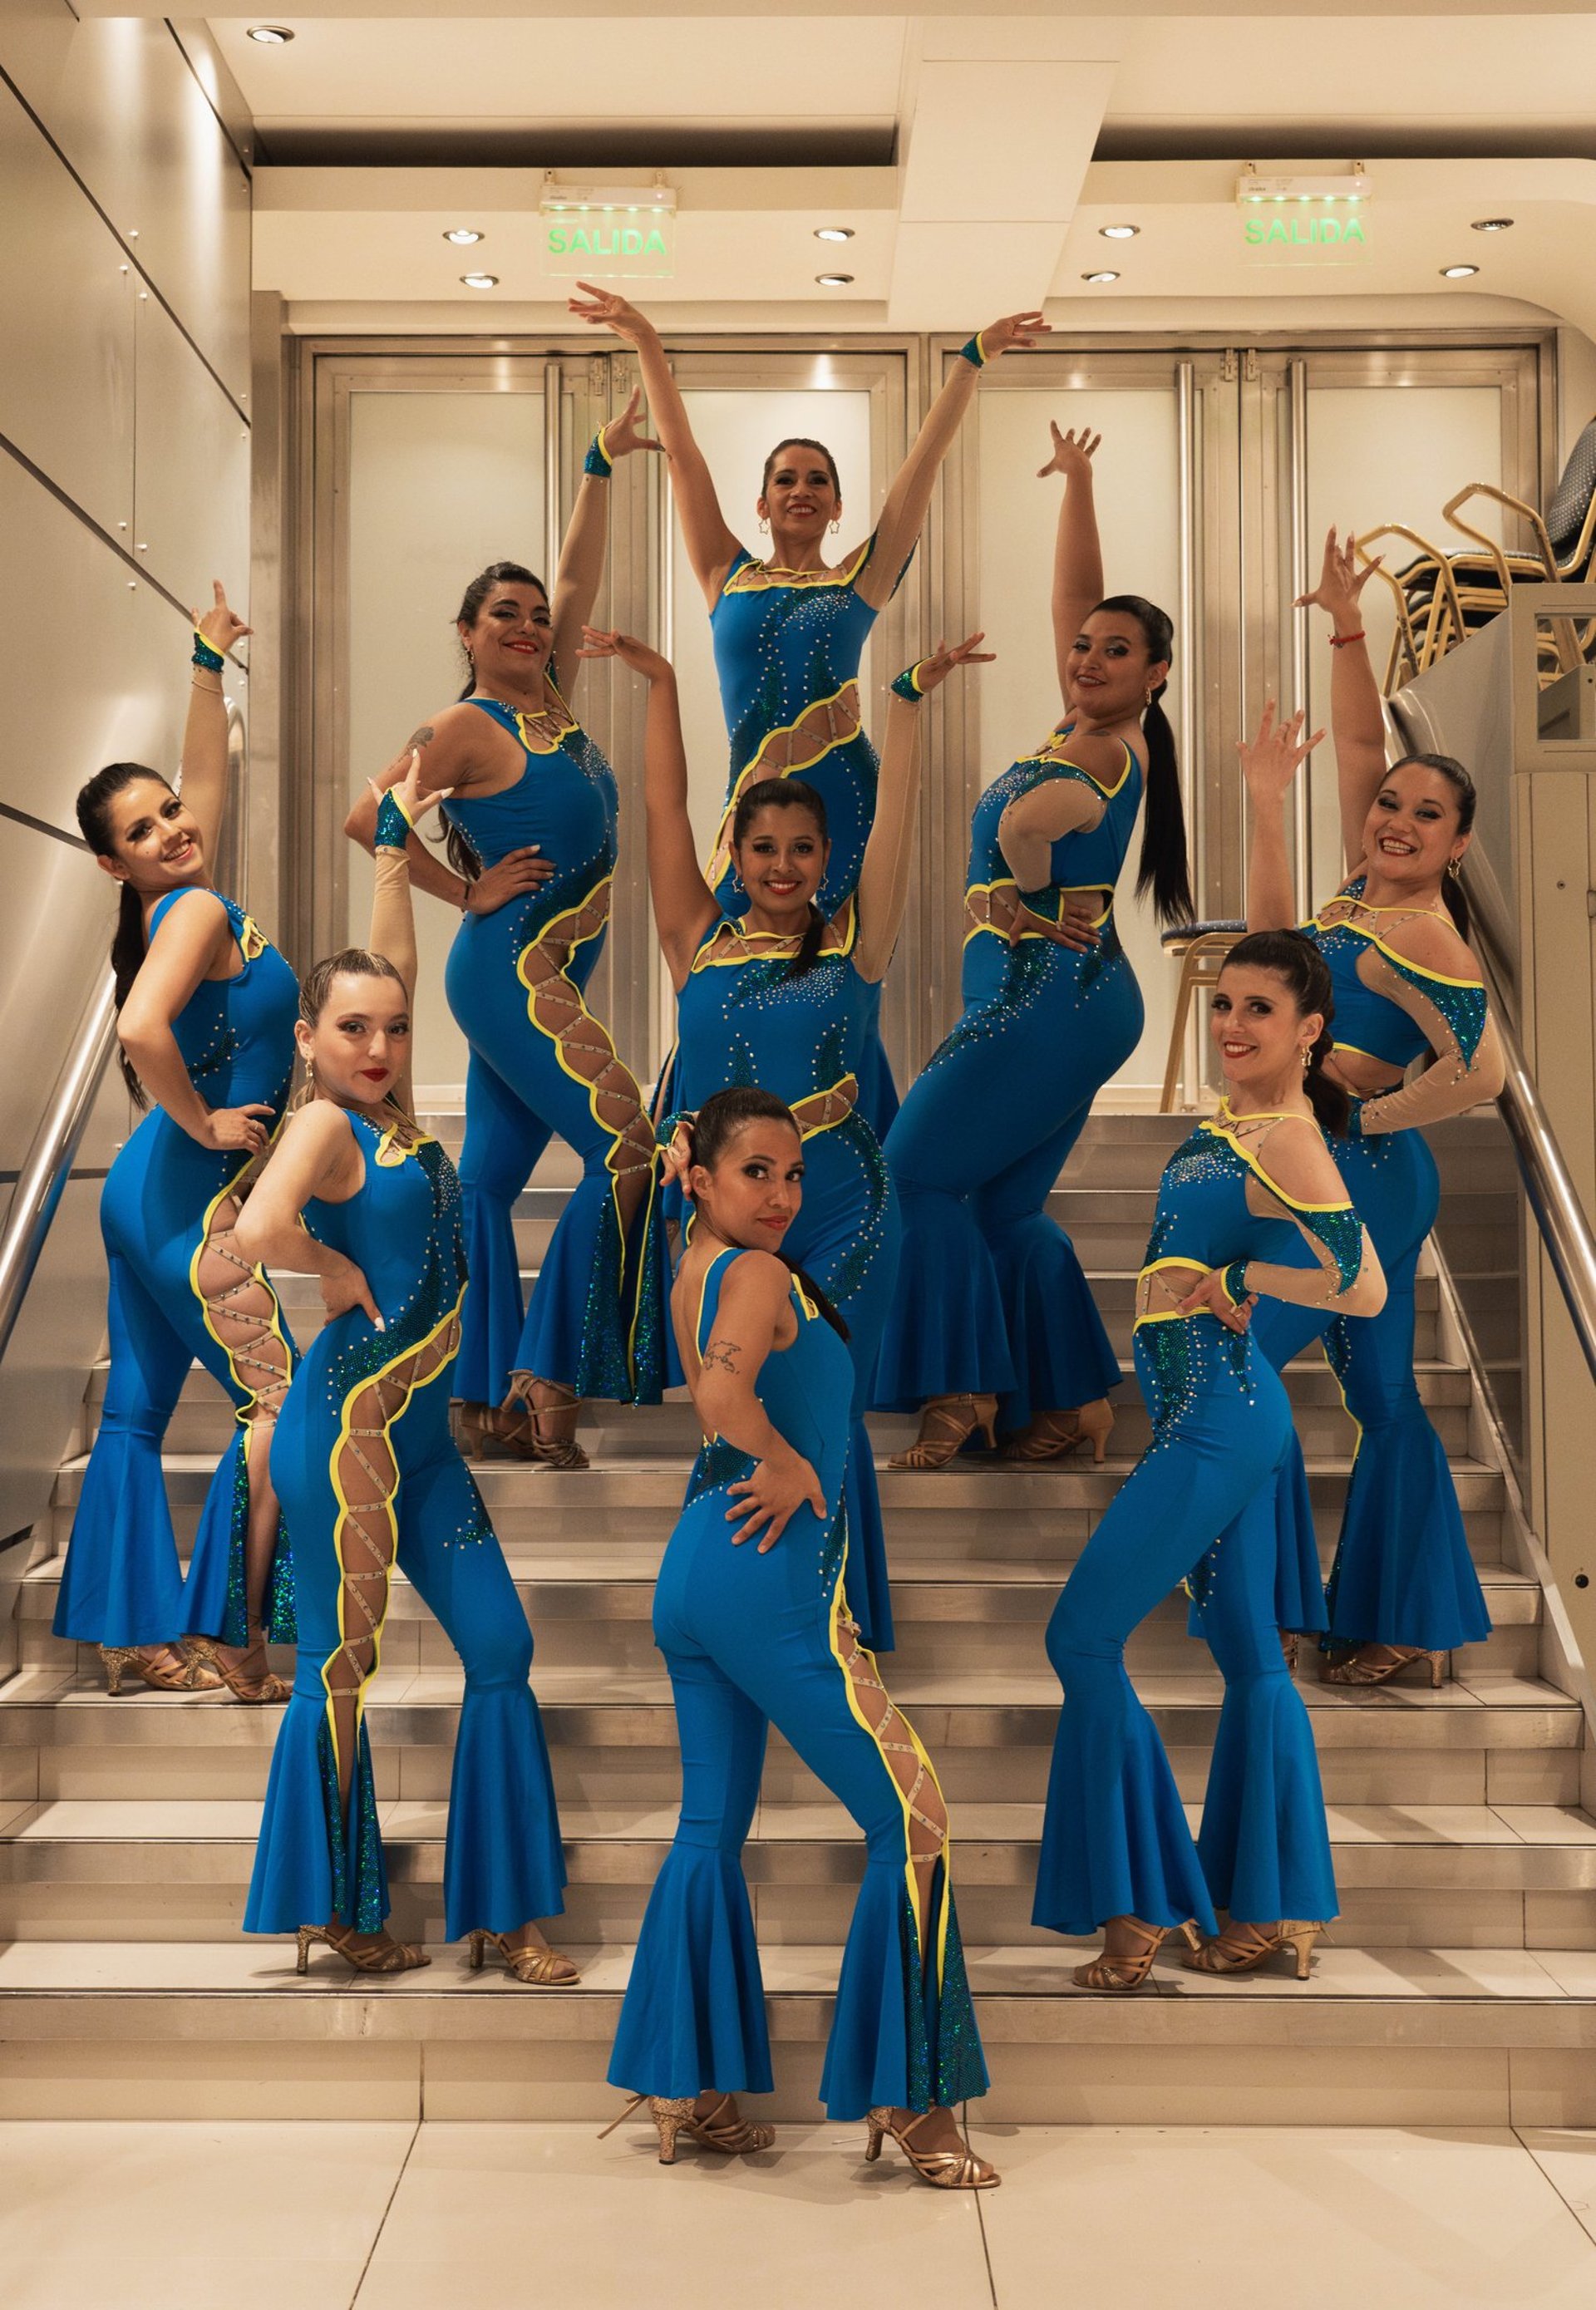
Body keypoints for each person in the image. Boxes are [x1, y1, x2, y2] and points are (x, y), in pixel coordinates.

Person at [603, 1087, 995, 2188]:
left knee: (710, 1824)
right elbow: (720, 1385)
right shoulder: (760, 1272)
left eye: (791, 1173)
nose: (779, 1194)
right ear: (707, 1179)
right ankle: (914, 2101)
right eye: (754, 1172)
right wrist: (782, 1457)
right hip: (764, 1574)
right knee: (912, 1813)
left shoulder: (701, 1260)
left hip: (697, 1570)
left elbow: (714, 1366)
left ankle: (692, 2085)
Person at [586, 625, 989, 1652]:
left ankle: (829, 1611)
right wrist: (664, 685)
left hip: (843, 1199)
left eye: (801, 849)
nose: (780, 864)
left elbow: (897, 816)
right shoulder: (696, 939)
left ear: (825, 860)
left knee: (818, 1401)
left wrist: (905, 699)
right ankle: (736, 1590)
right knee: (730, 1394)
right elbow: (666, 811)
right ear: (740, 854)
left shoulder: (857, 937)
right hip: (721, 1205)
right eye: (762, 847)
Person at [239, 755, 572, 1983]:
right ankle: (335, 1904)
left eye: (391, 1028)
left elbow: (395, 954)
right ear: (309, 1040)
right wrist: (325, 1264)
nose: (379, 1042)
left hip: (423, 1450)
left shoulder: (396, 1117)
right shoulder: (326, 1121)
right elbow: (254, 1230)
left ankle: (501, 1908)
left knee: (502, 1647)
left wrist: (397, 835)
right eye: (353, 1029)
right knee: (342, 1671)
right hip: (348, 1438)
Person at [569, 283, 1047, 1134]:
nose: (800, 489)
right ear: (760, 503)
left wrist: (969, 363)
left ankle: (848, 1149)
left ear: (835, 505)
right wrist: (645, 336)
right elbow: (683, 456)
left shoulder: (859, 578)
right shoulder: (726, 573)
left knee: (839, 973)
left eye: (817, 480)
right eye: (784, 479)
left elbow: (920, 470)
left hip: (846, 800)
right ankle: (707, 1136)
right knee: (723, 964)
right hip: (747, 806)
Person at [1034, 920, 1385, 1991]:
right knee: (1249, 1657)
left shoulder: (1286, 1137)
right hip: (1217, 1411)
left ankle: (1138, 1910)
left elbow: (1361, 1285)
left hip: (1217, 1425)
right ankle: (1270, 1908)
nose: (1233, 1024)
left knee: (1082, 1637)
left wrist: (1252, 1286)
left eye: (1260, 1010)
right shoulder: (1233, 1122)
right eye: (1225, 1004)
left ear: (1309, 1031)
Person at [344, 392, 663, 1470]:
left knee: (485, 1180)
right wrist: (461, 890)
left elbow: (574, 578)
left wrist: (598, 462)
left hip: (549, 967)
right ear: (468, 635)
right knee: (626, 1146)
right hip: (512, 970)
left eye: (534, 617)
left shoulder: (553, 702)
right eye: (504, 617)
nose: (528, 627)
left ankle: (477, 1401)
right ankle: (544, 1369)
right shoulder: (463, 725)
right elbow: (366, 815)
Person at [875, 423, 1195, 1467]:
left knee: (911, 1177)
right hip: (1067, 1000)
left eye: (1116, 651)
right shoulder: (1086, 716)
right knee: (1005, 1209)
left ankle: (961, 1386)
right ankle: (1068, 1401)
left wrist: (1018, 885)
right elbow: (1080, 595)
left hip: (1040, 1000)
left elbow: (1033, 825)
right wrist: (1082, 485)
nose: (1088, 656)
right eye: (1083, 646)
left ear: (1156, 676)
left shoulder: (1106, 744)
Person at [1243, 529, 1506, 1682]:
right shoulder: (1357, 893)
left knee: (1239, 1357)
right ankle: (1404, 1621)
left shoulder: (1426, 934)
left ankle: (1269, 1603)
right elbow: (1356, 741)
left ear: (1460, 844)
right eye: (1391, 802)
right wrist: (1348, 627)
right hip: (1329, 1165)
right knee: (1385, 1397)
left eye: (1425, 815)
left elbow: (1484, 1071)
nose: (1395, 816)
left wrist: (1374, 1113)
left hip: (1366, 1180)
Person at [57, 589, 296, 1703]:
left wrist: (208, 665)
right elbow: (140, 1027)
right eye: (143, 831)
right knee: (279, 1402)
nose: (173, 827)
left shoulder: (185, 892)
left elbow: (207, 786)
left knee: (134, 1415)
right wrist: (204, 1121)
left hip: (144, 1190)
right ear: (117, 866)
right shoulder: (192, 913)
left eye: (168, 812)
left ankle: (130, 1639)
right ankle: (240, 1636)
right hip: (185, 1189)